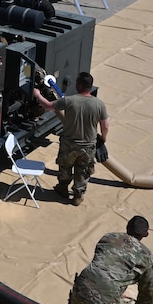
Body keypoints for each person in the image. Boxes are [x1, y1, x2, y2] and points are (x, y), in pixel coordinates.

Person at [32, 71, 109, 205]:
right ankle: (78, 195)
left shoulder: (69, 100)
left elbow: (49, 106)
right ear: (90, 86)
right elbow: (105, 125)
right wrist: (103, 138)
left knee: (65, 168)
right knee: (83, 170)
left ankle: (62, 188)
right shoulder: (99, 104)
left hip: (69, 143)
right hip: (88, 145)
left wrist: (38, 95)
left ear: (79, 85)